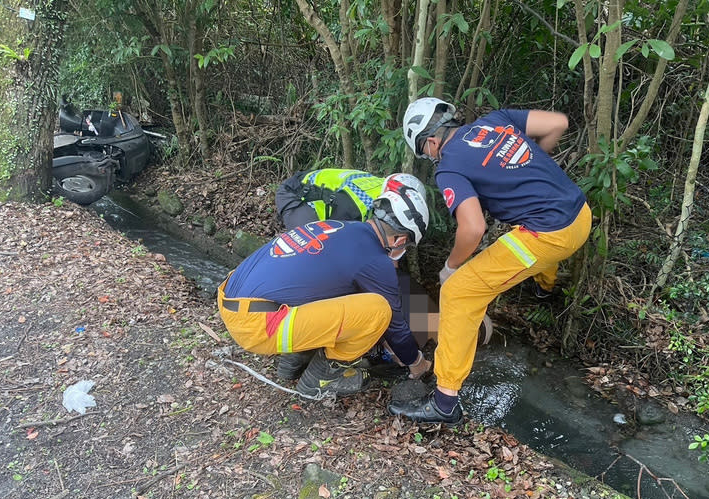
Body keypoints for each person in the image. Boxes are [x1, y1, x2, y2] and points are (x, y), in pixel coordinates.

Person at [389, 97, 592, 424]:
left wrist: (451, 267)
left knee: (458, 292)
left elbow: (473, 229)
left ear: (430, 140)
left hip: (548, 235)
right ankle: (545, 288)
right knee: (520, 237)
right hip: (580, 215)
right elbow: (557, 123)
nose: (430, 157)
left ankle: (444, 401)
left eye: (425, 152)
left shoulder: (450, 166)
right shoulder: (496, 119)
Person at [218, 176, 433, 398]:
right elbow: (395, 326)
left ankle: (294, 360)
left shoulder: (336, 226)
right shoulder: (375, 261)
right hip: (256, 326)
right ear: (399, 240)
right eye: (407, 244)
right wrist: (416, 363)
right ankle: (322, 377)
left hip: (231, 297)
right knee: (379, 311)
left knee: (336, 289)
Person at [275, 168, 387, 229]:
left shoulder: (387, 186)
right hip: (296, 192)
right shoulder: (353, 208)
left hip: (319, 183)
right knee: (312, 247)